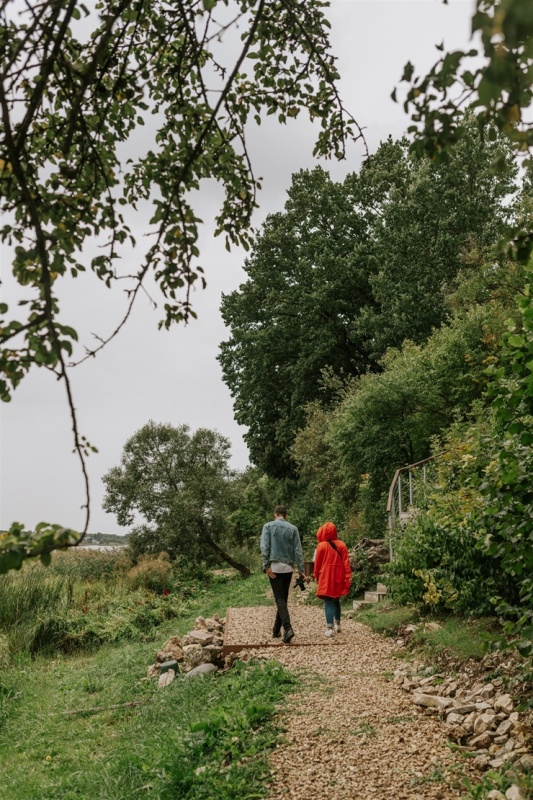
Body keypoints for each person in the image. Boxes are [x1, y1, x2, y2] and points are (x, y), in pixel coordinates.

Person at [260, 505, 305, 644]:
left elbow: (264, 546)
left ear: (275, 514)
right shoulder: (293, 528)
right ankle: (275, 630)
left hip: (274, 566)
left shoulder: (268, 526)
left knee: (279, 598)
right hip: (288, 567)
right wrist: (301, 569)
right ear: (286, 515)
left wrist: (266, 565)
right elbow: (298, 550)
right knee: (283, 599)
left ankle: (287, 628)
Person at [313, 521, 352, 637]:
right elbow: (346, 563)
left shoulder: (321, 546)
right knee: (336, 600)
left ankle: (330, 628)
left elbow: (317, 564)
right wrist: (347, 577)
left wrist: (316, 576)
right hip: (339, 575)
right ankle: (338, 625)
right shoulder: (342, 545)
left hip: (326, 576)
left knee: (328, 601)